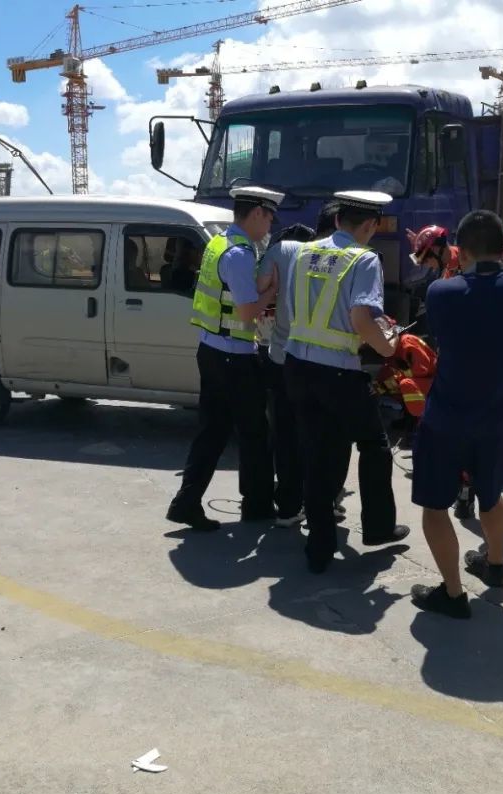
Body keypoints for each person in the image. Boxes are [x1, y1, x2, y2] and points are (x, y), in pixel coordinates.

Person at [409, 210, 503, 619]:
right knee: (491, 495)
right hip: (497, 415)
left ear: (460, 251)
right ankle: (496, 565)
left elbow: (439, 340)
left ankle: (452, 594)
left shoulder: (441, 293)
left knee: (435, 507)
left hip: (446, 418)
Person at [283, 190, 410, 573]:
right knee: (373, 445)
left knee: (318, 452)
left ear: (337, 220)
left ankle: (319, 547)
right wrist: (389, 347)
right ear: (370, 225)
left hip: (297, 366)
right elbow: (359, 319)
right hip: (338, 372)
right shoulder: (364, 258)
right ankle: (378, 527)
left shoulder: (302, 253)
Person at [166, 187, 281, 532]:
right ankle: (258, 506)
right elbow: (247, 312)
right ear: (258, 212)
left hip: (212, 351)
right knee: (254, 433)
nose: (270, 224)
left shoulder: (218, 243)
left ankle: (186, 501)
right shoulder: (240, 254)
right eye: (270, 216)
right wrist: (273, 291)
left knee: (212, 432)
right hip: (235, 358)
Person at [256, 204, 338, 527]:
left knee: (286, 435)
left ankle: (288, 508)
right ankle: (324, 504)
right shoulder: (338, 259)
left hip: (280, 358)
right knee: (322, 438)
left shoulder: (283, 249)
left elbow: (261, 288)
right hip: (320, 362)